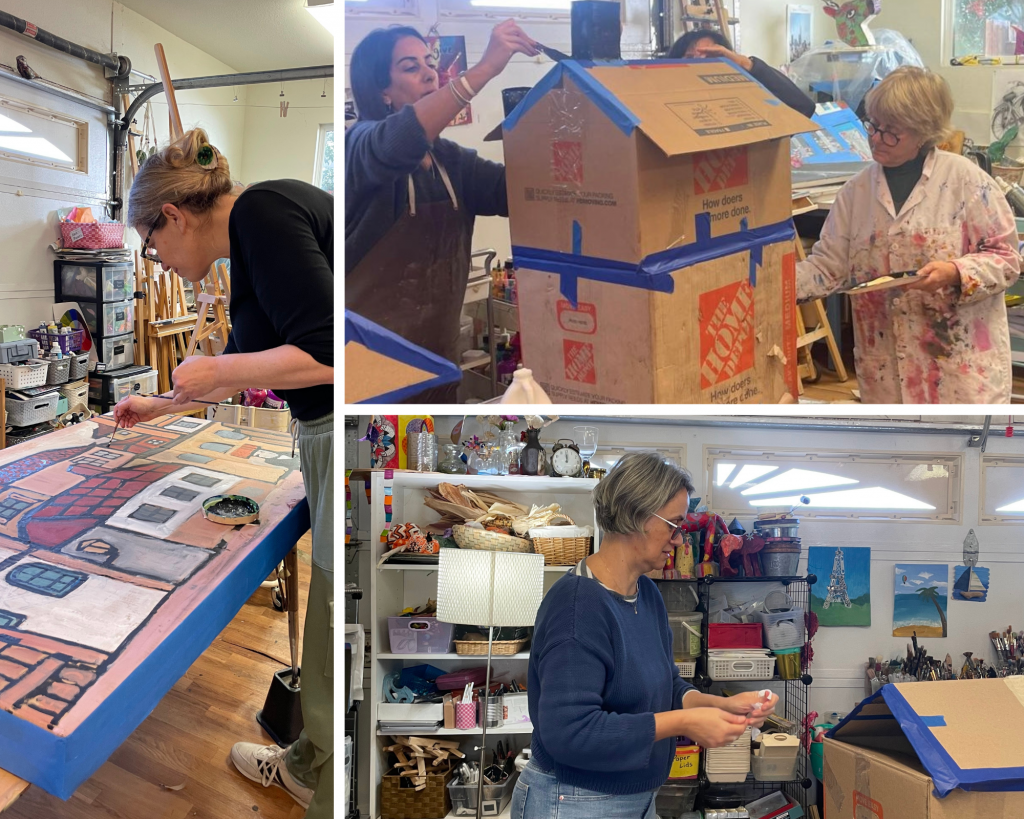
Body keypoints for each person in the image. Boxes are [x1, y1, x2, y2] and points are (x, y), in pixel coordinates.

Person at [116, 129, 334, 817]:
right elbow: (249, 357)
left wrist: (223, 367)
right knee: (334, 596)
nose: (159, 260)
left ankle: (317, 778)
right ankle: (314, 763)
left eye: (152, 245)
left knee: (335, 606)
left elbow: (332, 353)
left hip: (350, 433)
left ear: (173, 215)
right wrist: (159, 404)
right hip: (327, 431)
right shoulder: (254, 235)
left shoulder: (262, 216)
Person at [512, 452, 779, 819]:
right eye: (673, 525)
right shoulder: (577, 608)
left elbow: (667, 686)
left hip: (636, 798)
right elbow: (570, 732)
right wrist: (685, 723)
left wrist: (718, 706)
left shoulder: (647, 594)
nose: (679, 539)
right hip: (573, 800)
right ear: (636, 516)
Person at [796, 67, 1021, 403]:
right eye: (872, 125)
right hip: (885, 368)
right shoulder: (855, 193)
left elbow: (1007, 259)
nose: (875, 138)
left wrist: (955, 272)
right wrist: (773, 283)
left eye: (891, 133)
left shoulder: (967, 183)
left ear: (923, 132)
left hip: (959, 369)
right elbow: (829, 267)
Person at [345, 22, 539, 401]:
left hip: (438, 364)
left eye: (429, 62)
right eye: (410, 66)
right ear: (382, 91)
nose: (430, 72)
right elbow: (396, 143)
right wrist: (484, 70)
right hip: (368, 374)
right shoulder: (360, 144)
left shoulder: (451, 160)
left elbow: (517, 194)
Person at [668, 29, 816, 118]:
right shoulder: (669, 105)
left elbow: (802, 107)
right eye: (690, 58)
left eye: (710, 57)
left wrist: (744, 64)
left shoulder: (743, 104)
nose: (700, 64)